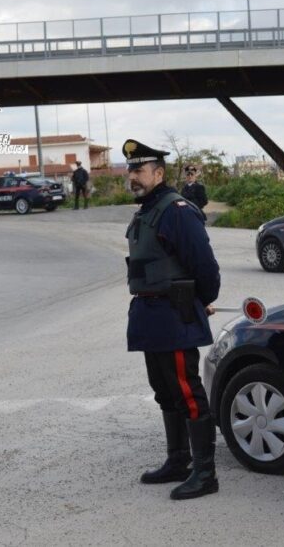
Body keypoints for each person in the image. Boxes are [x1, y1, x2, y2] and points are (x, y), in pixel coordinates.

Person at [123, 139, 221, 501]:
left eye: (139, 170)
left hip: (174, 315)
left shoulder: (177, 210)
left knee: (187, 392)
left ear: (159, 173)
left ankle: (205, 473)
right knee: (164, 391)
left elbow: (206, 268)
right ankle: (177, 461)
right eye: (130, 170)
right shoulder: (147, 211)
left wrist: (199, 301)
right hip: (151, 317)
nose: (132, 176)